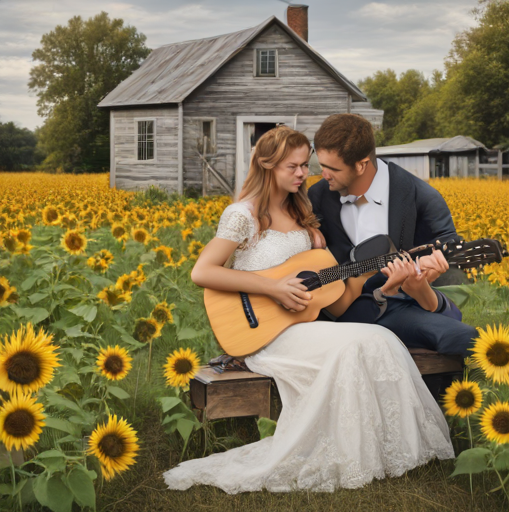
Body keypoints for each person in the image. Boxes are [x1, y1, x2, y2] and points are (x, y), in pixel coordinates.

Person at [163, 126, 454, 493]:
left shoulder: (305, 221)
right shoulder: (242, 215)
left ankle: (393, 451)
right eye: (293, 166)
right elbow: (202, 271)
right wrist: (274, 287)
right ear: (267, 165)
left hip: (302, 328)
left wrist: (382, 282)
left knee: (379, 338)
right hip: (264, 334)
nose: (303, 174)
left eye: (305, 165)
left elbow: (341, 301)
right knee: (353, 346)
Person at [308, 114, 478, 358]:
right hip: (333, 311)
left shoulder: (420, 195)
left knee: (463, 337)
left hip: (395, 308)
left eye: (333, 168)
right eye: (321, 165)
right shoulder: (318, 196)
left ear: (361, 164)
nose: (324, 174)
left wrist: (431, 270)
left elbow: (448, 242)